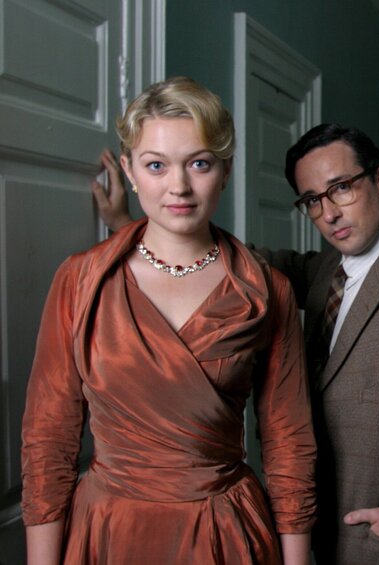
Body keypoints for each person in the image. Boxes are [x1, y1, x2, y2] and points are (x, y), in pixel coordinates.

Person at [94, 123, 379, 564]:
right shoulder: (325, 271)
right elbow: (221, 261)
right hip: (312, 528)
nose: (329, 213)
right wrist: (130, 225)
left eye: (341, 188)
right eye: (312, 200)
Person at [22, 76, 316, 564]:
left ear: (225, 169)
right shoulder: (80, 280)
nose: (178, 186)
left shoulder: (268, 290)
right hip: (108, 532)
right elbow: (48, 438)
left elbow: (290, 443)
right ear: (130, 171)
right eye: (156, 165)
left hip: (223, 533)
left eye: (199, 163)